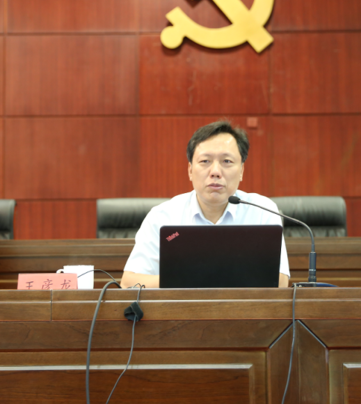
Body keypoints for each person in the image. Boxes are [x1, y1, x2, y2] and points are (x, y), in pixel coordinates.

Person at [121, 121, 290, 288]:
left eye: (227, 161)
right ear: (190, 170)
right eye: (205, 161)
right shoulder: (162, 216)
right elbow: (129, 283)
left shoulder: (262, 211)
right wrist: (184, 279)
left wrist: (207, 277)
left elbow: (280, 282)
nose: (215, 172)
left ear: (241, 171)